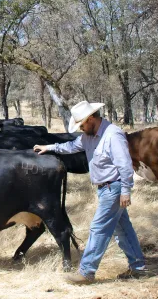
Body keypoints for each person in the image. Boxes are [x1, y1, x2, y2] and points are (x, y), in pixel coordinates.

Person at [33, 100, 147, 284]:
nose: (81, 128)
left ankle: (86, 272)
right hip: (105, 189)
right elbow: (71, 146)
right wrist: (49, 147)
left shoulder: (112, 135)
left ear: (91, 118)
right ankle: (138, 267)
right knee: (123, 229)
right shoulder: (88, 136)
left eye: (82, 124)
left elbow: (125, 166)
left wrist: (126, 190)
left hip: (114, 188)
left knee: (99, 228)